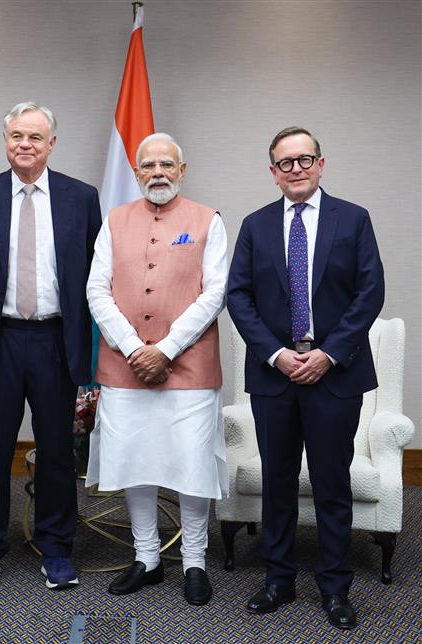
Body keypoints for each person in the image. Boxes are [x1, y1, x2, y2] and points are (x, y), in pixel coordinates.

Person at [227, 127, 384, 630]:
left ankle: (335, 587)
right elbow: (239, 298)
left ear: (321, 163)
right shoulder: (254, 225)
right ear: (272, 171)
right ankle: (278, 579)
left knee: (331, 483)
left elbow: (370, 293)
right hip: (275, 376)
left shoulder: (353, 220)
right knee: (276, 482)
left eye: (304, 159)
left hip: (335, 376)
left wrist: (329, 354)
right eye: (285, 162)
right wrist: (276, 354)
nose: (295, 169)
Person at [0, 102, 102, 590]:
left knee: (58, 453)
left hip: (56, 338)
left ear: (52, 145)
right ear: (5, 141)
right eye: (17, 135)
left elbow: (94, 272)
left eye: (35, 137)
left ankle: (57, 548)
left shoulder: (80, 198)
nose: (25, 144)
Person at [86, 132, 228, 606]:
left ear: (182, 171)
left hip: (188, 367)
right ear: (138, 171)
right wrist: (132, 348)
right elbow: (96, 290)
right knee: (135, 463)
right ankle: (145, 558)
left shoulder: (209, 220)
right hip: (125, 366)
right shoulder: (114, 220)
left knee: (191, 464)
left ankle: (194, 561)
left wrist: (165, 349)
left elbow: (214, 293)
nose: (158, 173)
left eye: (168, 164)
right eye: (149, 166)